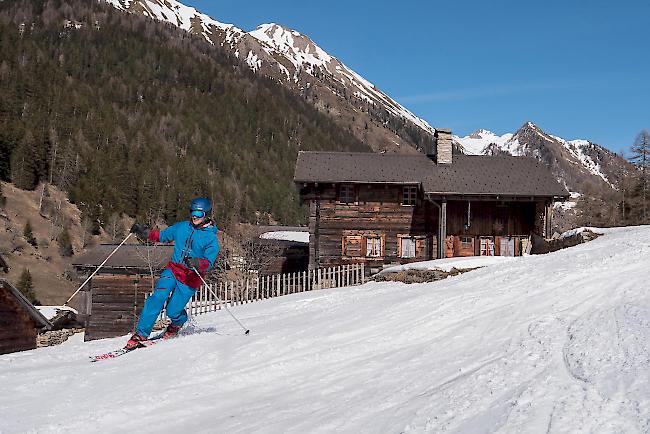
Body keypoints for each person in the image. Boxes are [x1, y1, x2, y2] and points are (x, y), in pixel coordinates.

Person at [125, 197, 220, 350]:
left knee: (173, 311)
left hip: (190, 278)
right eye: (192, 212)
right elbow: (162, 236)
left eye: (198, 213)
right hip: (174, 270)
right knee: (157, 298)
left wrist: (197, 262)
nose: (194, 216)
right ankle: (141, 334)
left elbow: (208, 263)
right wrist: (144, 232)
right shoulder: (182, 227)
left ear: (206, 215)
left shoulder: (211, 239)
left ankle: (177, 323)